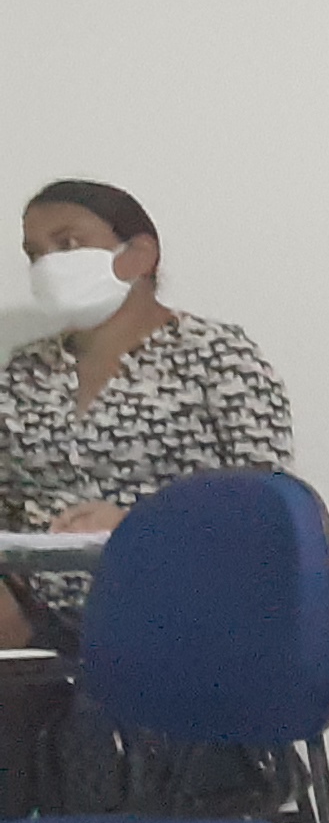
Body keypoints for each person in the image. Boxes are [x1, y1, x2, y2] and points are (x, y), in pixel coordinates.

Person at [2, 180, 295, 652]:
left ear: (138, 255)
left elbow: (263, 508)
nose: (47, 266)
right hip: (34, 607)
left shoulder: (217, 357)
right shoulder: (24, 370)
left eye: (67, 244)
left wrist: (139, 526)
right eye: (34, 254)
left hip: (174, 594)